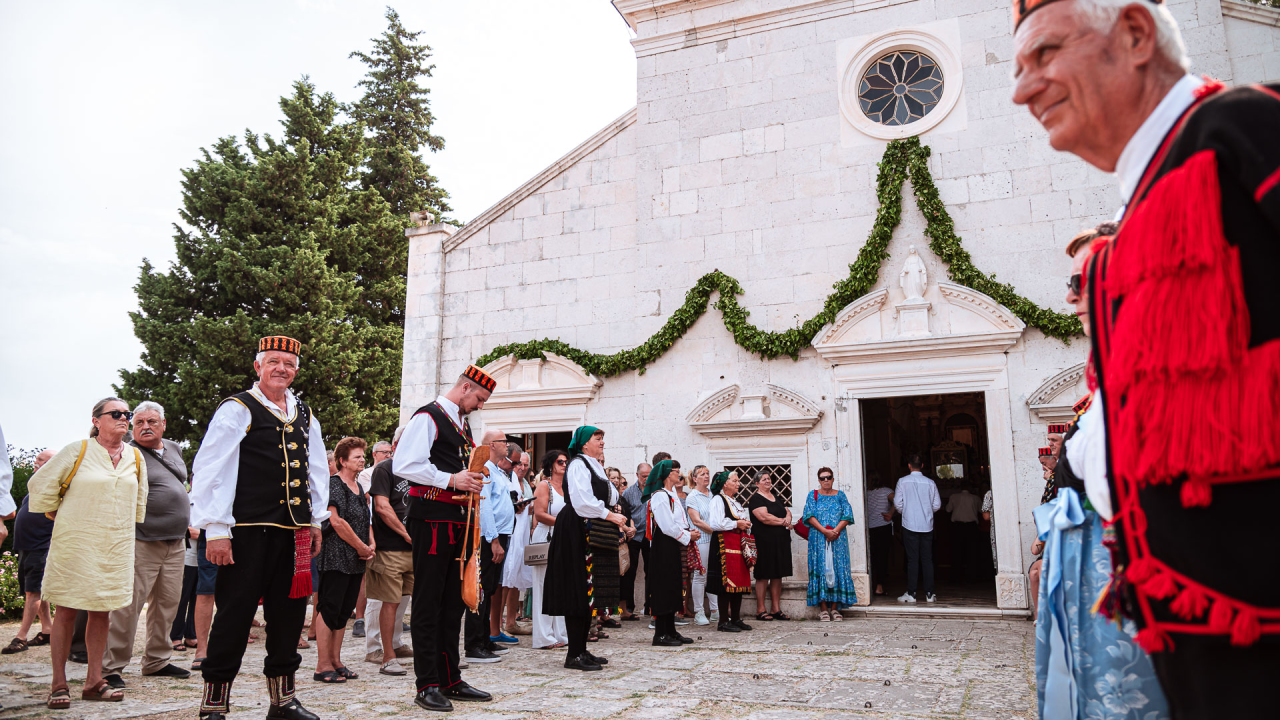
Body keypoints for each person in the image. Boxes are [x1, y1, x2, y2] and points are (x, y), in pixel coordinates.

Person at [1015, 0, 1280, 712]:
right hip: (1193, 648)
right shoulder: (1123, 234)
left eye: (1044, 55)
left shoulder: (1248, 128)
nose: (1021, 89)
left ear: (1134, 35)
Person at [1030, 223, 1169, 719]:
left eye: (1083, 281)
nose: (1071, 298)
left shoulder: (1160, 368)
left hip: (1122, 566)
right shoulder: (1105, 380)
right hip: (1085, 564)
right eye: (1070, 284)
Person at [189, 336, 328, 720]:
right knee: (234, 616)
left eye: (289, 363)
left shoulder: (304, 412)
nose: (282, 368)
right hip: (247, 530)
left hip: (295, 532)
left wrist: (315, 521)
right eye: (274, 361)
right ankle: (214, 705)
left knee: (288, 617)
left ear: (297, 370)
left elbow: (316, 469)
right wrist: (215, 527)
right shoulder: (238, 407)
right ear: (258, 367)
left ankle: (283, 702)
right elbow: (210, 467)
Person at [27, 397, 148, 708]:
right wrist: (55, 512)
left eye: (127, 414)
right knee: (66, 610)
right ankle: (58, 683)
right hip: (75, 542)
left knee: (102, 611)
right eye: (116, 413)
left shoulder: (135, 457)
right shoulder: (76, 450)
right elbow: (39, 484)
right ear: (96, 420)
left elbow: (139, 504)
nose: (124, 418)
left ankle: (94, 681)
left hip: (115, 544)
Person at [391, 365, 496, 712]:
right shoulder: (428, 417)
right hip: (433, 521)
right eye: (479, 398)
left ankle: (450, 677)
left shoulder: (460, 423)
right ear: (465, 387)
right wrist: (453, 480)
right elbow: (403, 464)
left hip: (459, 520)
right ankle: (427, 684)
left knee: (453, 602)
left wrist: (473, 480)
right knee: (428, 601)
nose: (480, 406)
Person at [100, 401, 192, 688]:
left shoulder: (174, 449)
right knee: (128, 606)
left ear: (163, 424)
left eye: (151, 421)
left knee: (167, 604)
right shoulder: (126, 453)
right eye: (138, 422)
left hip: (176, 542)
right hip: (142, 540)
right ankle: (111, 667)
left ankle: (156, 660)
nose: (145, 427)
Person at [543, 426, 627, 672]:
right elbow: (581, 502)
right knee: (578, 588)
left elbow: (607, 498)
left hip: (591, 528)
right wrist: (610, 515)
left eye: (603, 438)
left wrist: (613, 513)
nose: (602, 442)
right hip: (577, 529)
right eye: (597, 438)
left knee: (589, 591)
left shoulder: (594, 466)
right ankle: (574, 653)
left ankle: (581, 648)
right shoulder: (579, 464)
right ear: (583, 443)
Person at [310, 436, 372, 684]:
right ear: (342, 461)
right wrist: (361, 546)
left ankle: (336, 660)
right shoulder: (334, 484)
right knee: (329, 608)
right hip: (336, 554)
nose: (362, 460)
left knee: (344, 610)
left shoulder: (359, 487)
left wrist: (370, 545)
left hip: (356, 557)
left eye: (362, 456)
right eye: (357, 456)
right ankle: (322, 664)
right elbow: (336, 521)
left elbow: (365, 520)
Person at [364, 426, 414, 675]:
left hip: (416, 549)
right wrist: (407, 535)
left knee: (411, 602)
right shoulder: (385, 469)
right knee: (389, 602)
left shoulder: (420, 469)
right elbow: (382, 507)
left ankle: (401, 645)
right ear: (395, 445)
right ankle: (386, 656)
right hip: (391, 548)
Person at [464, 431, 512, 663]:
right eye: (504, 441)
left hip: (501, 534)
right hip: (487, 537)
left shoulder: (497, 470)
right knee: (480, 590)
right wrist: (493, 540)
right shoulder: (484, 468)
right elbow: (484, 508)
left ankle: (484, 639)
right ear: (492, 444)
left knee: (490, 589)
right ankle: (473, 644)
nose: (508, 445)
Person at [4, 449, 55, 656]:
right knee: (36, 591)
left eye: (40, 460)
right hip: (26, 546)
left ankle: (21, 637)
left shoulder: (55, 488)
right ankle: (47, 630)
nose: (36, 463)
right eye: (36, 459)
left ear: (52, 465)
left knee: (33, 592)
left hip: (40, 546)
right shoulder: (35, 487)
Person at [645, 459, 698, 647]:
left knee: (673, 585)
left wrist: (688, 533)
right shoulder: (659, 496)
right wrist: (687, 536)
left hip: (673, 542)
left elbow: (678, 520)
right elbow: (666, 525)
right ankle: (660, 633)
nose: (679, 475)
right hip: (664, 544)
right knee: (663, 586)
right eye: (677, 471)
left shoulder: (672, 493)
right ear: (668, 474)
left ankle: (670, 630)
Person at [803, 468, 858, 620]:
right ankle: (823, 608)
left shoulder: (840, 495)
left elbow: (847, 514)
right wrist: (825, 532)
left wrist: (835, 531)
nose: (826, 480)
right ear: (819, 480)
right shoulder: (812, 495)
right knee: (821, 568)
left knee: (837, 567)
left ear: (833, 479)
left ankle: (834, 608)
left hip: (838, 539)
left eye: (829, 477)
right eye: (822, 478)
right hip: (819, 539)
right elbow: (809, 516)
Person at [705, 471, 753, 633]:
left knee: (737, 581)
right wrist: (737, 524)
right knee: (725, 583)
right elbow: (716, 523)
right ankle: (723, 621)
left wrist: (745, 525)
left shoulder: (735, 502)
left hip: (736, 545)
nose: (738, 483)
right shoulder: (718, 500)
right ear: (725, 483)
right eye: (735, 480)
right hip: (723, 546)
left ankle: (736, 618)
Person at [530, 450, 569, 649]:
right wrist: (564, 524)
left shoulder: (569, 487)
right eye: (560, 461)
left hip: (564, 537)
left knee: (562, 586)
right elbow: (540, 513)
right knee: (543, 586)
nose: (564, 464)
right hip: (546, 536)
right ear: (551, 465)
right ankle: (544, 637)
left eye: (565, 461)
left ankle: (561, 634)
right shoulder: (544, 486)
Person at [894, 454, 940, 603]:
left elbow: (897, 504)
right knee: (927, 560)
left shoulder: (902, 482)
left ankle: (912, 593)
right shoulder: (930, 483)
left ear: (909, 465)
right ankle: (929, 594)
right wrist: (926, 513)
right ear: (922, 465)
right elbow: (937, 505)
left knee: (912, 560)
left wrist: (907, 512)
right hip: (926, 526)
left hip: (910, 525)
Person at [747, 470, 792, 620]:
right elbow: (764, 518)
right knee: (763, 574)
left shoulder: (776, 496)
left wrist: (787, 518)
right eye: (763, 479)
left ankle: (775, 608)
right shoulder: (755, 499)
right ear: (756, 483)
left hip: (780, 541)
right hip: (763, 541)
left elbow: (787, 511)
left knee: (777, 574)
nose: (767, 481)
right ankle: (760, 609)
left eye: (769, 478)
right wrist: (783, 522)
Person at [501, 450, 534, 637]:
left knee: (516, 579)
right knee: (506, 577)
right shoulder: (508, 479)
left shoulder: (527, 484)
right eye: (519, 464)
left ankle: (511, 622)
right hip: (511, 533)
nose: (522, 468)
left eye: (526, 465)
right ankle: (498, 622)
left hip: (522, 534)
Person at [683, 465, 719, 625]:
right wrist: (715, 531)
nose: (706, 476)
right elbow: (696, 520)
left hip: (715, 541)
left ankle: (715, 610)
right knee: (700, 575)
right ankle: (698, 611)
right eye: (702, 474)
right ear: (695, 478)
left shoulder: (713, 495)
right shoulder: (692, 497)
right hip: (702, 539)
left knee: (713, 575)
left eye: (707, 473)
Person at [619, 461, 652, 620]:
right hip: (634, 536)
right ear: (637, 475)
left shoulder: (655, 491)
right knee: (630, 571)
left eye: (649, 476)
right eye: (644, 476)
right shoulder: (629, 493)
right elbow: (624, 514)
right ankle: (629, 608)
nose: (646, 479)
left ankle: (650, 606)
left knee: (651, 571)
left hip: (651, 536)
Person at [864, 473, 894, 597]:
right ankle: (879, 587)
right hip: (883, 526)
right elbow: (899, 501)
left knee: (871, 558)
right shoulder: (887, 491)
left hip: (869, 528)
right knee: (882, 557)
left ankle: (869, 585)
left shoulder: (864, 493)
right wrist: (891, 513)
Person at [944, 484, 981, 583]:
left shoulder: (954, 497)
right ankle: (972, 576)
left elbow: (948, 509)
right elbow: (981, 510)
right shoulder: (975, 498)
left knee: (956, 551)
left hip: (958, 527)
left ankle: (956, 576)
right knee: (972, 552)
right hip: (971, 527)